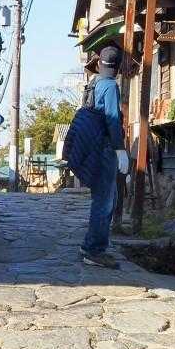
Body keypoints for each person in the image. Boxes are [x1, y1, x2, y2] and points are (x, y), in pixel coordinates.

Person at [62, 44, 128, 268]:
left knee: (104, 198)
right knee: (105, 201)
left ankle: (90, 244)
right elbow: (112, 119)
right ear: (117, 68)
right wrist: (120, 150)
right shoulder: (110, 86)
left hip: (91, 147)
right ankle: (94, 250)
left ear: (100, 64)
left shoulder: (93, 83)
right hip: (104, 149)